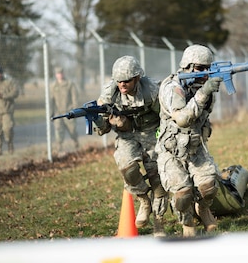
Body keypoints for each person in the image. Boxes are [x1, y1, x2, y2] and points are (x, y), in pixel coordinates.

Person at [92, 55, 168, 237]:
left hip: (151, 130)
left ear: (137, 78)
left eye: (126, 81)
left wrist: (164, 138)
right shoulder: (110, 94)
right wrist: (97, 118)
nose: (122, 85)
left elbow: (165, 116)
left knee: (157, 177)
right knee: (127, 168)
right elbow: (103, 129)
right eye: (119, 81)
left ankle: (159, 222)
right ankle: (144, 200)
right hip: (127, 135)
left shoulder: (152, 90)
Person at [155, 44, 222, 237]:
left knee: (209, 186)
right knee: (182, 195)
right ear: (188, 66)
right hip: (171, 150)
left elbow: (202, 117)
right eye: (201, 68)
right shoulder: (172, 87)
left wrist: (205, 91)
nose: (205, 73)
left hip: (195, 146)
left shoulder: (202, 87)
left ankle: (203, 209)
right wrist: (204, 93)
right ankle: (187, 222)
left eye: (208, 68)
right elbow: (183, 119)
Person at [50, 67, 80, 152]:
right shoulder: (53, 86)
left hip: (69, 112)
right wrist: (51, 113)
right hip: (58, 112)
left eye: (61, 73)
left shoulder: (70, 84)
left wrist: (75, 111)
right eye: (58, 73)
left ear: (63, 73)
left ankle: (76, 143)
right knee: (58, 130)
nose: (59, 75)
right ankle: (59, 148)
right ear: (56, 75)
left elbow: (75, 98)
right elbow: (51, 100)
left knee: (72, 130)